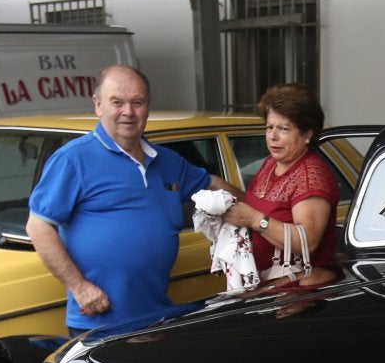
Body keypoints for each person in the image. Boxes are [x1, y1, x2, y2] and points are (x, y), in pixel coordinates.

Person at [27, 64, 239, 336]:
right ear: (98, 105)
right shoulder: (73, 159)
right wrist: (80, 288)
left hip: (158, 318)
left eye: (137, 102)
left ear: (147, 107)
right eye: (117, 102)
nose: (128, 112)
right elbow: (38, 226)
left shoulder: (167, 161)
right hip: (100, 322)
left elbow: (211, 184)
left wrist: (260, 210)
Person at [222, 83, 341, 287]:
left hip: (297, 295)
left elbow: (308, 241)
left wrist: (252, 218)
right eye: (269, 127)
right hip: (268, 287)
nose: (273, 136)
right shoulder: (271, 164)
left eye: (284, 129)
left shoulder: (311, 175)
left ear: (307, 134)